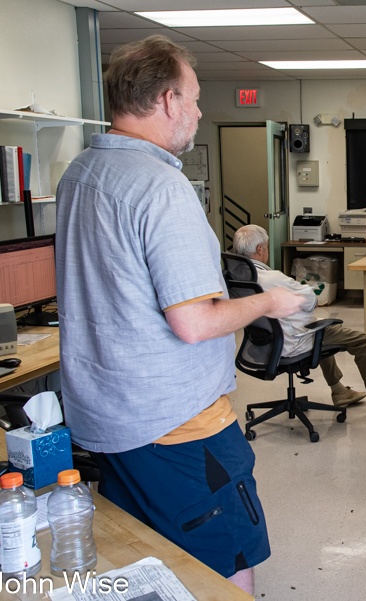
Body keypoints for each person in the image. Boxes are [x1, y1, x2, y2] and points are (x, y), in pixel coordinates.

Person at [54, 36, 306, 595]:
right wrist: (271, 302)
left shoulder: (80, 173)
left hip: (106, 417)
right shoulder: (162, 186)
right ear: (167, 101)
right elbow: (194, 322)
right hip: (177, 423)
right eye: (193, 99)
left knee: (148, 554)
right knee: (227, 553)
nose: (197, 112)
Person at [232, 225, 366, 416]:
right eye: (267, 246)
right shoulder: (273, 278)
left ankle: (338, 390)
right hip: (292, 341)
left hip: (262, 344)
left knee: (321, 329)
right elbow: (311, 301)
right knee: (361, 340)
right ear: (260, 249)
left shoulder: (236, 277)